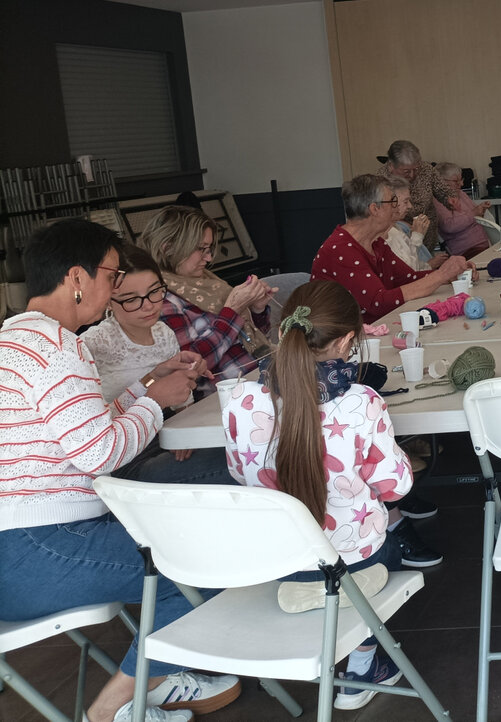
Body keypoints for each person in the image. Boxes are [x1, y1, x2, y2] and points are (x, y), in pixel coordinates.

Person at [0, 219, 240, 722]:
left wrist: (148, 385)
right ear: (77, 277)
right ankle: (111, 710)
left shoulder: (18, 338)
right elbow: (101, 453)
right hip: (35, 548)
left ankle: (153, 684)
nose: (113, 289)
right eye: (111, 276)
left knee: (193, 541)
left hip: (23, 549)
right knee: (207, 557)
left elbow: (83, 429)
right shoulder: (57, 348)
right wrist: (155, 402)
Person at [220, 280, 413, 710]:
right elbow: (395, 487)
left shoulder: (239, 400)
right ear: (347, 341)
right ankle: (361, 666)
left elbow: (239, 474)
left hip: (283, 566)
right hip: (358, 567)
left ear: (283, 331)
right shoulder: (362, 402)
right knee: (390, 540)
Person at [81, 245, 234, 486]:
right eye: (132, 299)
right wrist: (155, 389)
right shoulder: (93, 344)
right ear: (108, 300)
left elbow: (183, 404)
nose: (149, 305)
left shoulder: (163, 332)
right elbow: (91, 428)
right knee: (236, 463)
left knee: (244, 448)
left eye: (155, 291)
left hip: (169, 438)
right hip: (127, 457)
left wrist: (186, 432)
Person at [142, 205, 275, 386]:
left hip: (259, 373)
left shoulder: (207, 282)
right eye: (201, 249)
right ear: (168, 248)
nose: (209, 258)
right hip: (227, 391)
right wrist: (232, 311)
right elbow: (190, 366)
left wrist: (257, 310)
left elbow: (252, 338)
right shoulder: (160, 300)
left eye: (209, 248)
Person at [311, 173, 470, 320]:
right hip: (346, 336)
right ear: (375, 209)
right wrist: (441, 275)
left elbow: (408, 279)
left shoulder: (375, 243)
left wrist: (451, 274)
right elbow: (379, 302)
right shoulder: (341, 249)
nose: (396, 208)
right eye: (392, 202)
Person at [381, 139, 456, 251]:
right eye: (406, 171)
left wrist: (450, 199)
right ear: (391, 166)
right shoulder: (381, 181)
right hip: (399, 240)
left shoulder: (426, 169)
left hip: (428, 236)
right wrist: (401, 224)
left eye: (416, 169)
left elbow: (444, 191)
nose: (412, 175)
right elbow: (381, 216)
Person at [432, 161, 491, 260]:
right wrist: (474, 213)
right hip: (467, 251)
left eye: (461, 179)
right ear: (441, 182)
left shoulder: (461, 194)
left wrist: (481, 209)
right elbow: (448, 226)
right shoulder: (437, 200)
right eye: (456, 181)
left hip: (482, 245)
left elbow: (474, 214)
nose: (461, 184)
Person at [382, 175, 437, 272]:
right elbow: (410, 270)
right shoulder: (389, 233)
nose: (410, 206)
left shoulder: (396, 227)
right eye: (405, 201)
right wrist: (417, 235)